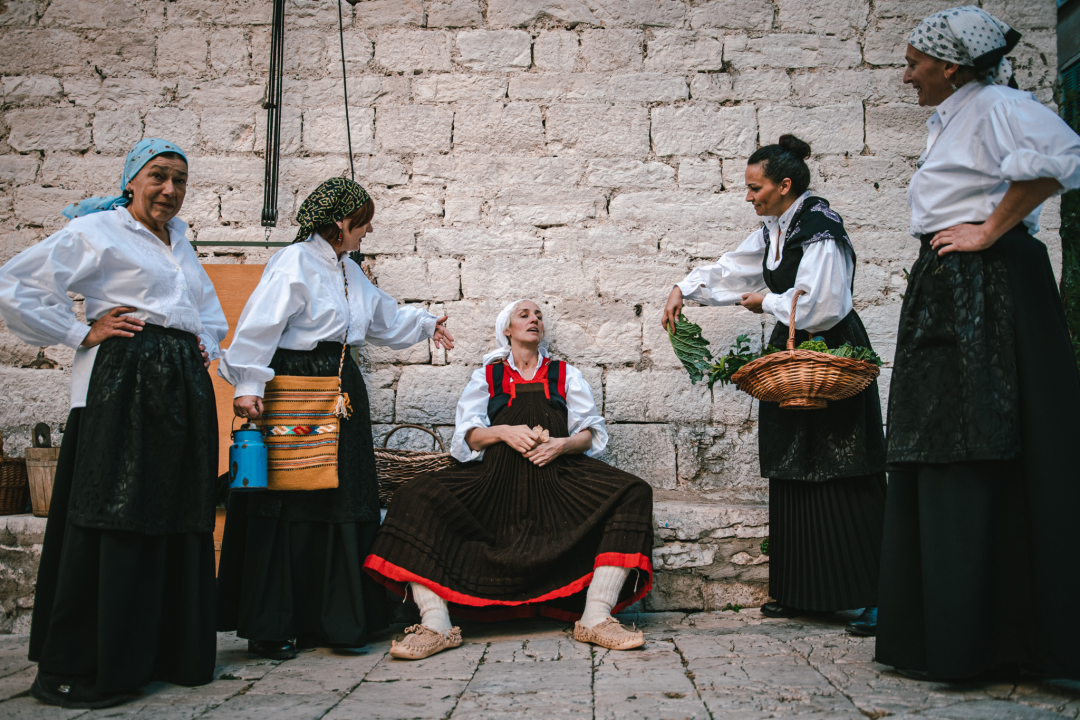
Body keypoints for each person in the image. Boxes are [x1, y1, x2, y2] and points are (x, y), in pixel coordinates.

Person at [876, 6, 1080, 681]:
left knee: (980, 434)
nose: (906, 76)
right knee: (940, 437)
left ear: (951, 65)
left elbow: (1061, 158)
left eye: (913, 62)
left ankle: (1001, 636)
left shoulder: (995, 102)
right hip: (952, 281)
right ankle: (951, 630)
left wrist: (990, 232)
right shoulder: (955, 114)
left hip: (986, 288)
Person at [0, 139, 227, 709]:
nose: (170, 190)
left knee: (174, 507)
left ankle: (162, 652)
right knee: (117, 507)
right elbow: (14, 283)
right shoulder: (98, 232)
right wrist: (81, 331)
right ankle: (92, 661)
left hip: (180, 386)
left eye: (179, 179)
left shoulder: (182, 243)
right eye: (158, 177)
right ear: (132, 181)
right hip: (123, 381)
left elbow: (209, 313)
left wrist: (200, 344)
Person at [216, 177, 454, 659]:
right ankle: (275, 624)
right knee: (291, 497)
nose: (367, 232)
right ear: (342, 223)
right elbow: (260, 324)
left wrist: (427, 324)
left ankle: (335, 620)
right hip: (294, 387)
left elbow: (382, 318)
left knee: (340, 496)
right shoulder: (295, 263)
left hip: (341, 391)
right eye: (363, 223)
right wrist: (247, 385)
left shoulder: (349, 270)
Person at [662, 135, 886, 637]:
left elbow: (825, 304)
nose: (749, 197)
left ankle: (879, 595)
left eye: (754, 188)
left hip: (829, 354)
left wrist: (766, 304)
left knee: (847, 464)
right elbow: (731, 268)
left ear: (785, 186)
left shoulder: (820, 229)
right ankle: (810, 591)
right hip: (790, 355)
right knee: (793, 463)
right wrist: (685, 287)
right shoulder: (775, 230)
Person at [363, 299, 654, 660]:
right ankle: (436, 623)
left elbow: (590, 433)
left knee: (634, 492)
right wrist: (502, 431)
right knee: (414, 496)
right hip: (495, 482)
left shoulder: (565, 373)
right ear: (507, 329)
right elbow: (467, 436)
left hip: (559, 480)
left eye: (539, 316)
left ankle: (596, 616)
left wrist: (562, 445)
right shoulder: (487, 375)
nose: (534, 319)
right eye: (524, 314)